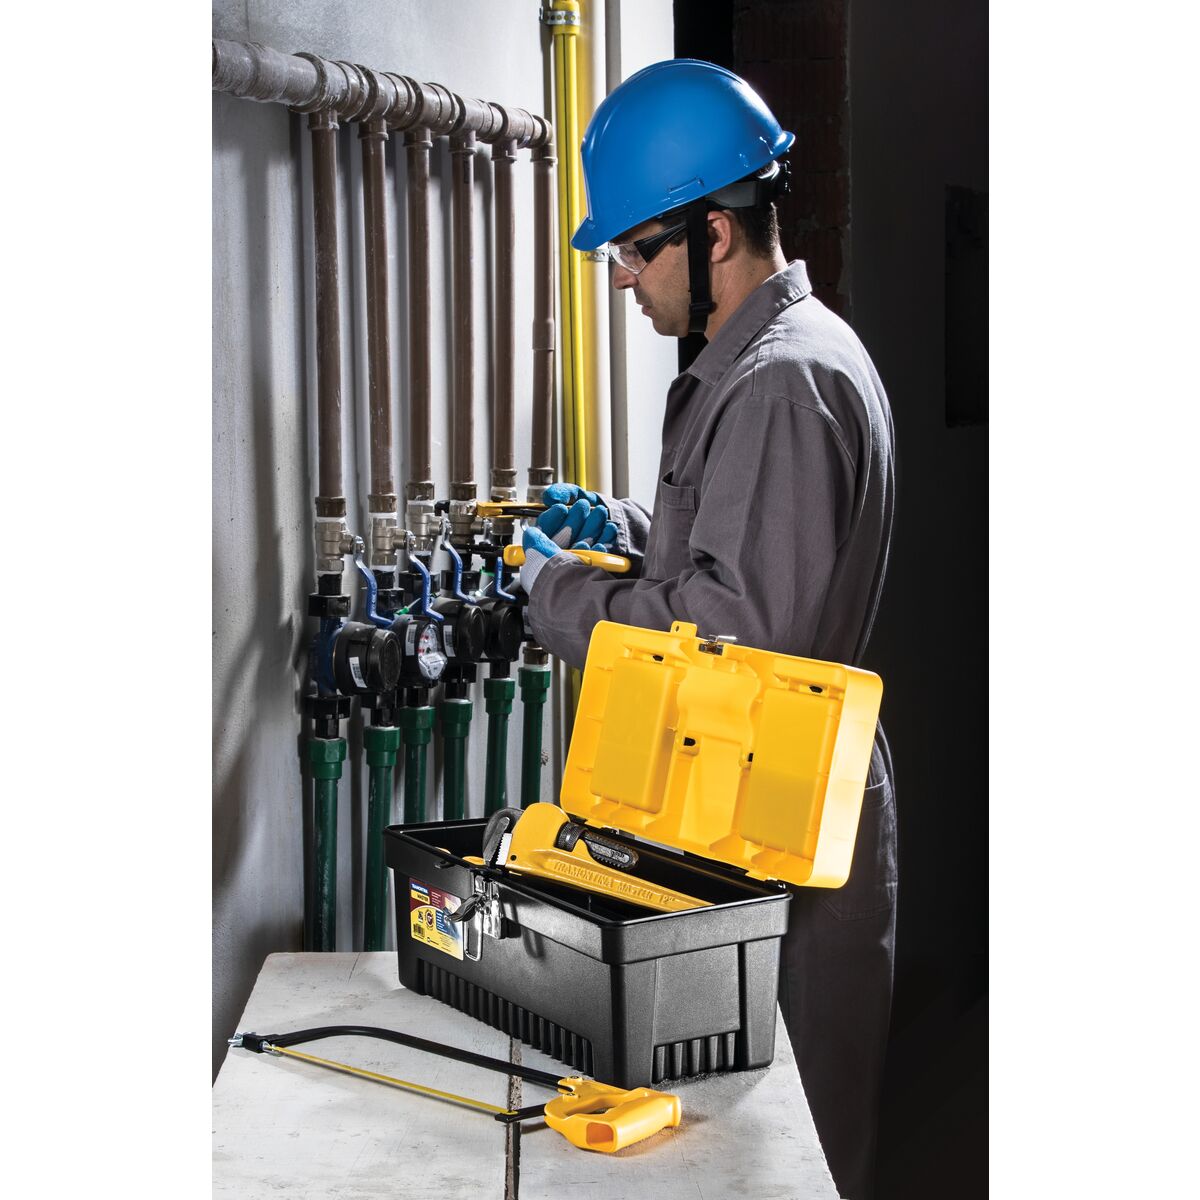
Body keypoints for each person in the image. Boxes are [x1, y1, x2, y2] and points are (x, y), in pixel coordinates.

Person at [517, 59, 896, 1200]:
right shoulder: (780, 361)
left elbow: (728, 638)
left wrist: (556, 596)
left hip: (779, 825)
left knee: (779, 1161)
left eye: (638, 251)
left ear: (713, 232)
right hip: (761, 809)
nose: (625, 279)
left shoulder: (779, 385)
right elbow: (746, 555)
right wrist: (626, 532)